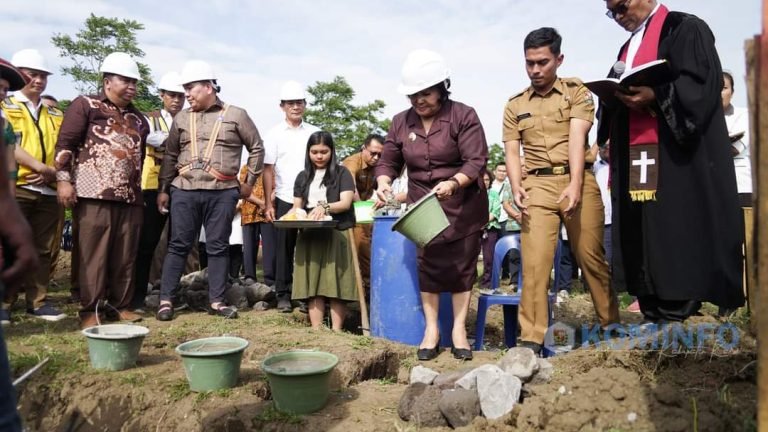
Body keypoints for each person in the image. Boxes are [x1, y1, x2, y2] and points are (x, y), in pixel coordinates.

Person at [597, 0, 744, 321]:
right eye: (611, 12)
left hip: (676, 157)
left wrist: (656, 95)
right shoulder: (627, 48)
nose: (618, 17)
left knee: (676, 223)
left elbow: (700, 85)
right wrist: (611, 97)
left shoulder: (684, 28)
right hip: (639, 155)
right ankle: (651, 301)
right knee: (643, 226)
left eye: (621, 7)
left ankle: (680, 301)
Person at [503, 28, 619, 353]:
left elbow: (576, 139)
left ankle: (610, 325)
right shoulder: (514, 104)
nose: (535, 70)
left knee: (590, 257)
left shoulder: (577, 92)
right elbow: (512, 151)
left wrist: (575, 183)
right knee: (535, 263)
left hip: (577, 178)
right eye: (529, 63)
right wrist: (516, 185)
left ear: (559, 59)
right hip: (537, 185)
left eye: (542, 62)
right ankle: (532, 338)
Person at [375, 49, 488, 361]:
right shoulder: (401, 122)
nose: (419, 100)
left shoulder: (463, 115)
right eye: (413, 95)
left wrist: (454, 183)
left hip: (463, 204)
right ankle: (432, 330)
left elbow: (476, 160)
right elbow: (388, 161)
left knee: (462, 267)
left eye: (425, 93)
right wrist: (383, 181)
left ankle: (459, 330)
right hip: (424, 206)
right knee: (428, 266)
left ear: (441, 88)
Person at [156, 60, 264, 321]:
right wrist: (164, 189)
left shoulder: (236, 115)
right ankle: (166, 300)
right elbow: (170, 154)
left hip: (222, 190)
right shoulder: (182, 118)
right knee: (178, 245)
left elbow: (257, 147)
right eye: (184, 89)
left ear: (208, 86)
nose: (186, 94)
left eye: (190, 88)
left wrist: (249, 181)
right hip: (184, 189)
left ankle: (217, 301)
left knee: (217, 246)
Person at [55, 52, 149, 329]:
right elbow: (65, 145)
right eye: (125, 80)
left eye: (134, 82)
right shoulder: (86, 105)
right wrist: (63, 180)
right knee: (93, 254)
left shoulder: (139, 119)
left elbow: (140, 157)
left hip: (130, 196)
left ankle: (120, 305)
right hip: (93, 192)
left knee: (125, 254)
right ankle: (90, 310)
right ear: (107, 81)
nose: (131, 86)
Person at [1, 49, 66, 323]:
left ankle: (38, 302)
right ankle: (5, 302)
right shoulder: (6, 106)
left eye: (43, 76)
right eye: (32, 74)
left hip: (48, 189)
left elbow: (64, 147)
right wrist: (39, 168)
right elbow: (9, 144)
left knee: (43, 248)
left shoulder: (54, 112)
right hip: (18, 186)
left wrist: (53, 174)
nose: (38, 80)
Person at [289, 131, 358, 330]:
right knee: (313, 281)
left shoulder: (342, 173)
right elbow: (297, 207)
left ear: (332, 151)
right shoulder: (302, 176)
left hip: (336, 231)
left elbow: (345, 203)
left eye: (324, 152)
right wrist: (290, 216)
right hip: (310, 234)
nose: (319, 156)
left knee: (336, 280)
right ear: (308, 152)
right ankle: (317, 328)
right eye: (314, 152)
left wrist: (325, 207)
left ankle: (337, 330)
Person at [0, 56, 36, 432]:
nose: (0, 94)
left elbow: (6, 173)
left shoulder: (2, 126)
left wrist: (11, 219)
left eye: (3, 89)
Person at [263, 81, 320, 312]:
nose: (295, 107)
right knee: (283, 248)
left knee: (310, 248)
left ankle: (306, 294)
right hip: (285, 197)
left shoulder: (314, 132)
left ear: (305, 104)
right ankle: (283, 294)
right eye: (290, 103)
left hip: (312, 198)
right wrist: (268, 203)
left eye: (299, 102)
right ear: (282, 106)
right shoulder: (274, 134)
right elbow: (268, 169)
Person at [132, 71, 185, 312]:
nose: (176, 100)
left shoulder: (188, 119)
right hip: (152, 187)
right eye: (172, 95)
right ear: (162, 95)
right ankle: (137, 295)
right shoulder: (148, 119)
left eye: (180, 96)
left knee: (180, 243)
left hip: (181, 188)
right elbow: (150, 139)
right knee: (147, 243)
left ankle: (172, 293)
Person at [721, 70, 752, 316]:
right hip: (715, 189)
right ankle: (727, 301)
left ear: (732, 91)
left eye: (724, 88)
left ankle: (750, 299)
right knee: (722, 247)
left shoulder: (744, 115)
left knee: (744, 245)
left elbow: (735, 148)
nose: (719, 93)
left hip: (742, 187)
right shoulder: (703, 118)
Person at [342, 133, 384, 294]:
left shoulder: (380, 165)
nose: (376, 158)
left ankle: (368, 287)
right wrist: (362, 209)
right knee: (362, 245)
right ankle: (364, 287)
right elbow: (351, 188)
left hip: (367, 210)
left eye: (380, 155)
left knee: (370, 246)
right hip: (348, 210)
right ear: (363, 148)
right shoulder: (352, 162)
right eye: (373, 153)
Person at [239, 163, 275, 286]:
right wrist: (261, 203)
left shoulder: (273, 168)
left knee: (270, 247)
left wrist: (267, 203)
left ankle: (270, 279)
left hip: (269, 213)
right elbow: (242, 189)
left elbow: (278, 188)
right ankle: (249, 277)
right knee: (249, 247)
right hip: (249, 212)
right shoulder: (246, 168)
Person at [480, 169, 502, 289]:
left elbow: (495, 211)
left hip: (490, 228)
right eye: (483, 179)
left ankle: (487, 282)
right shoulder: (473, 195)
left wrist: (483, 222)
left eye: (487, 179)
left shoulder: (494, 194)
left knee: (489, 257)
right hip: (474, 230)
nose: (485, 182)